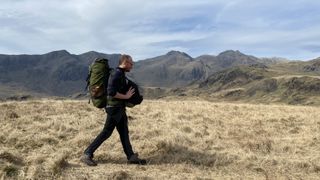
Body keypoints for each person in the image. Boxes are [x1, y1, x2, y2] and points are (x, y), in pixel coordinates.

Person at [81, 54, 146, 166]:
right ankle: (87, 153)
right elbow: (111, 91)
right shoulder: (116, 74)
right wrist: (126, 97)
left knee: (124, 132)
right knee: (106, 132)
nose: (132, 65)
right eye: (131, 63)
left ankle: (131, 157)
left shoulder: (120, 74)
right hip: (114, 109)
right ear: (125, 62)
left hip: (119, 108)